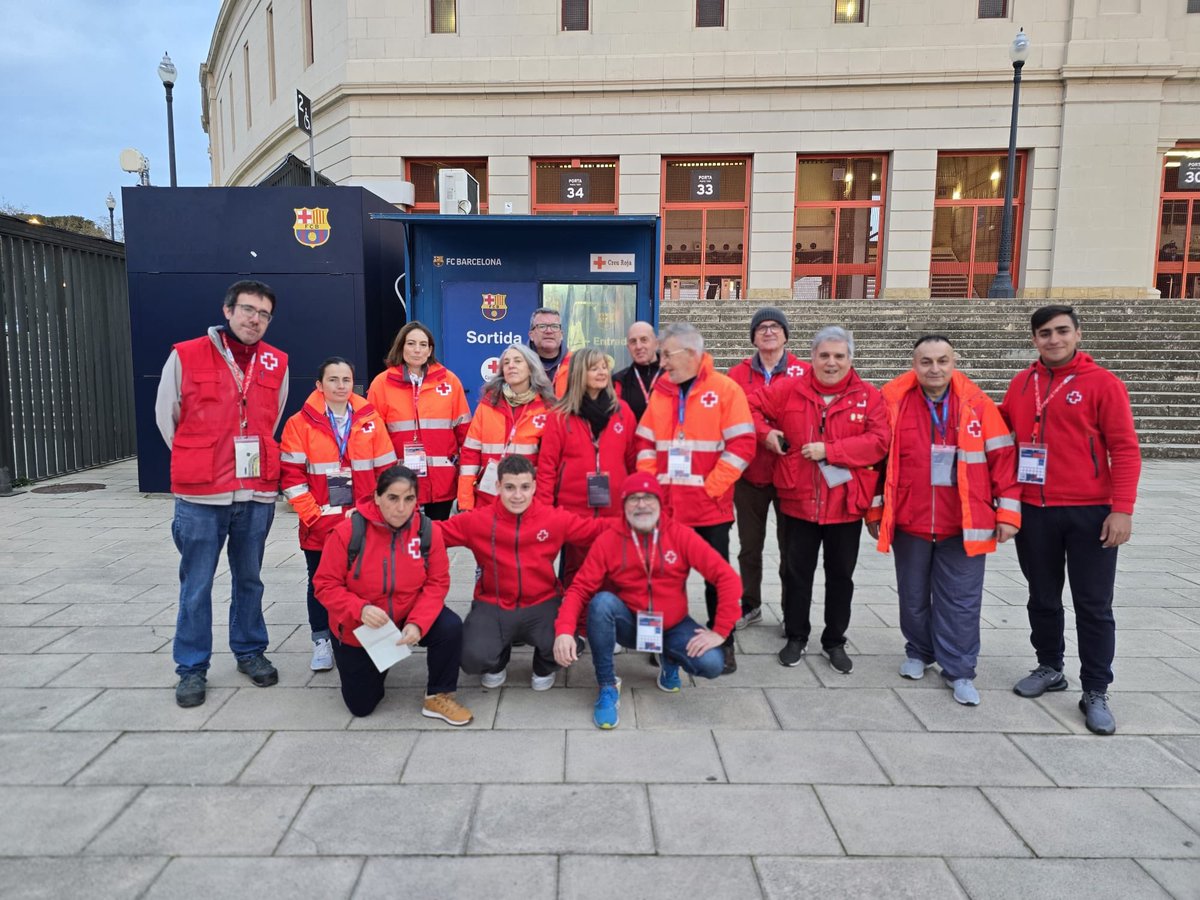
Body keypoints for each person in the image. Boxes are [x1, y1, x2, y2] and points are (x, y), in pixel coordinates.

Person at [1000, 305, 1141, 735]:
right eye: (1045, 333)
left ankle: (1096, 689)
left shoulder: (1103, 384)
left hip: (1090, 512)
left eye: (1062, 331)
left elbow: (1125, 449)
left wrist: (1122, 509)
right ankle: (1050, 666)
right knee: (1042, 596)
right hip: (1034, 511)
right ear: (1034, 339)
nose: (1054, 339)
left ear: (1078, 334)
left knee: (1093, 605)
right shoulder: (1021, 383)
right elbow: (1000, 431)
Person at [866, 336, 1021, 706]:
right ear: (914, 364)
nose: (934, 368)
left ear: (954, 362)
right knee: (913, 596)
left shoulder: (978, 405)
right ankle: (919, 651)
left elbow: (1003, 460)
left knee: (961, 601)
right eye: (926, 361)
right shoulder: (893, 403)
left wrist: (1008, 513)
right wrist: (874, 510)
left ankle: (959, 669)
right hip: (911, 521)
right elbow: (875, 462)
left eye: (942, 360)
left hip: (964, 523)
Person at [155, 280, 288, 708]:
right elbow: (167, 418)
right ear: (228, 310)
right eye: (248, 309)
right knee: (196, 584)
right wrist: (200, 459)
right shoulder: (186, 354)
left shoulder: (277, 362)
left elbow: (271, 418)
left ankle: (249, 651)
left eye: (264, 314)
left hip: (254, 493)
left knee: (250, 579)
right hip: (201, 496)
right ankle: (192, 667)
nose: (255, 319)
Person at [750, 325, 889, 674]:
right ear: (811, 357)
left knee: (841, 576)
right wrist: (766, 433)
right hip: (798, 500)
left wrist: (831, 451)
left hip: (844, 504)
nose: (831, 362)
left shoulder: (869, 397)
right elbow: (747, 407)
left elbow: (879, 442)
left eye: (839, 356)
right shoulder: (789, 389)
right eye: (824, 355)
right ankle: (796, 636)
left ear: (850, 359)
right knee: (797, 574)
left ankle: (834, 641)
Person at [553, 473, 741, 729]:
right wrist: (565, 630)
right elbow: (579, 588)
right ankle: (607, 686)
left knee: (712, 663)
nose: (641, 504)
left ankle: (669, 660)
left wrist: (720, 631)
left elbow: (727, 578)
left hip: (672, 625)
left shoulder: (680, 535)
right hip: (631, 622)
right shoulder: (609, 539)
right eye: (633, 499)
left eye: (648, 497)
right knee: (601, 603)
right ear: (623, 505)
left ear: (660, 502)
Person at [635, 322, 755, 674]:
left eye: (666, 355)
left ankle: (724, 641)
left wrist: (711, 488)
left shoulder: (726, 390)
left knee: (717, 579)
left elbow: (742, 445)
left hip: (709, 510)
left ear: (690, 353)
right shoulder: (661, 391)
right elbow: (645, 442)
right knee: (659, 578)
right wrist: (651, 488)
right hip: (667, 508)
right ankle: (658, 642)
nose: (661, 362)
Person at [313, 465, 472, 725]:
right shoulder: (348, 532)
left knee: (450, 627)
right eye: (392, 498)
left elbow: (437, 582)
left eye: (409, 499)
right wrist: (359, 609)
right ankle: (379, 661)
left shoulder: (427, 531)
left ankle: (438, 695)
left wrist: (418, 622)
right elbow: (325, 584)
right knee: (362, 706)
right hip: (362, 624)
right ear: (377, 497)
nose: (401, 508)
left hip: (407, 612)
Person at [438, 455, 610, 690]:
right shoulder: (478, 521)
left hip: (543, 603)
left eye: (525, 487)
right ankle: (496, 662)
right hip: (494, 604)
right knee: (471, 657)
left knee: (569, 645)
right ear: (498, 486)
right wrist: (397, 524)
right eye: (510, 487)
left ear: (534, 487)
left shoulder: (552, 518)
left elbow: (596, 530)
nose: (517, 495)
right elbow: (434, 533)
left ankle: (544, 667)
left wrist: (639, 525)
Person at [280, 356, 397, 672]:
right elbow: (291, 478)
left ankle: (371, 641)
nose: (341, 385)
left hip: (365, 521)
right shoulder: (299, 424)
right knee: (320, 583)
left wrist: (377, 513)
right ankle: (321, 641)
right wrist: (313, 517)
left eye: (346, 380)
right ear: (319, 385)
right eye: (333, 379)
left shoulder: (370, 420)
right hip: (321, 525)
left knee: (369, 582)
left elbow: (387, 472)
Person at [727, 306, 807, 630]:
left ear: (786, 335)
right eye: (762, 327)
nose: (769, 331)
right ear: (753, 337)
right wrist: (765, 433)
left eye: (775, 326)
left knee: (792, 548)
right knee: (749, 547)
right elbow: (735, 415)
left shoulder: (804, 372)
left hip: (793, 474)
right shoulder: (737, 375)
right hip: (751, 473)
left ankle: (791, 611)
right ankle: (750, 604)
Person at [536, 347, 637, 588]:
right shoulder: (559, 416)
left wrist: (635, 503)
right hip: (573, 514)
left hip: (614, 511)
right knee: (575, 577)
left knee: (613, 574)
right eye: (594, 368)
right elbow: (547, 468)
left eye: (604, 367)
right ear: (580, 373)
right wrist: (545, 512)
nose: (602, 372)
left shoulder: (623, 412)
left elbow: (633, 463)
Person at [367, 321, 471, 521]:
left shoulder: (449, 381)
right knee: (404, 538)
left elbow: (465, 434)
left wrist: (464, 476)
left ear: (430, 350)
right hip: (399, 483)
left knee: (438, 536)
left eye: (423, 345)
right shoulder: (381, 384)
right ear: (401, 347)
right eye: (411, 343)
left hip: (443, 482)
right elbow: (373, 438)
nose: (417, 350)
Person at [457, 343, 554, 511]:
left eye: (518, 361)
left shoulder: (546, 409)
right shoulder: (488, 404)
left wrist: (543, 506)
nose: (511, 365)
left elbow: (550, 465)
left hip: (527, 501)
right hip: (487, 501)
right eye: (506, 362)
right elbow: (469, 455)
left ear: (531, 368)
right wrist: (465, 502)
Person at [612, 321, 661, 422]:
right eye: (633, 342)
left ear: (656, 344)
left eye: (644, 340)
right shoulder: (619, 381)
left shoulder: (672, 375)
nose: (638, 346)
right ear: (628, 347)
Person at [529, 307, 571, 397]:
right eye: (542, 326)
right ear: (531, 335)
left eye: (554, 326)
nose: (549, 331)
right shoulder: (518, 363)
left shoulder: (576, 363)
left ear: (561, 335)